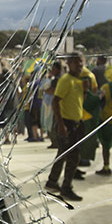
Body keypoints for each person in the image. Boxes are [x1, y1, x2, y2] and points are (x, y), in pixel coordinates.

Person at [45, 53, 87, 202]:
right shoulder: (66, 80)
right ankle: (66, 188)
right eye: (77, 63)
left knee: (63, 154)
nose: (80, 66)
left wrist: (86, 90)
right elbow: (55, 102)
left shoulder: (78, 81)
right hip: (67, 123)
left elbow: (78, 103)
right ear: (69, 64)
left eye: (81, 63)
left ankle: (52, 182)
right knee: (73, 158)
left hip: (75, 123)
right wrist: (61, 125)